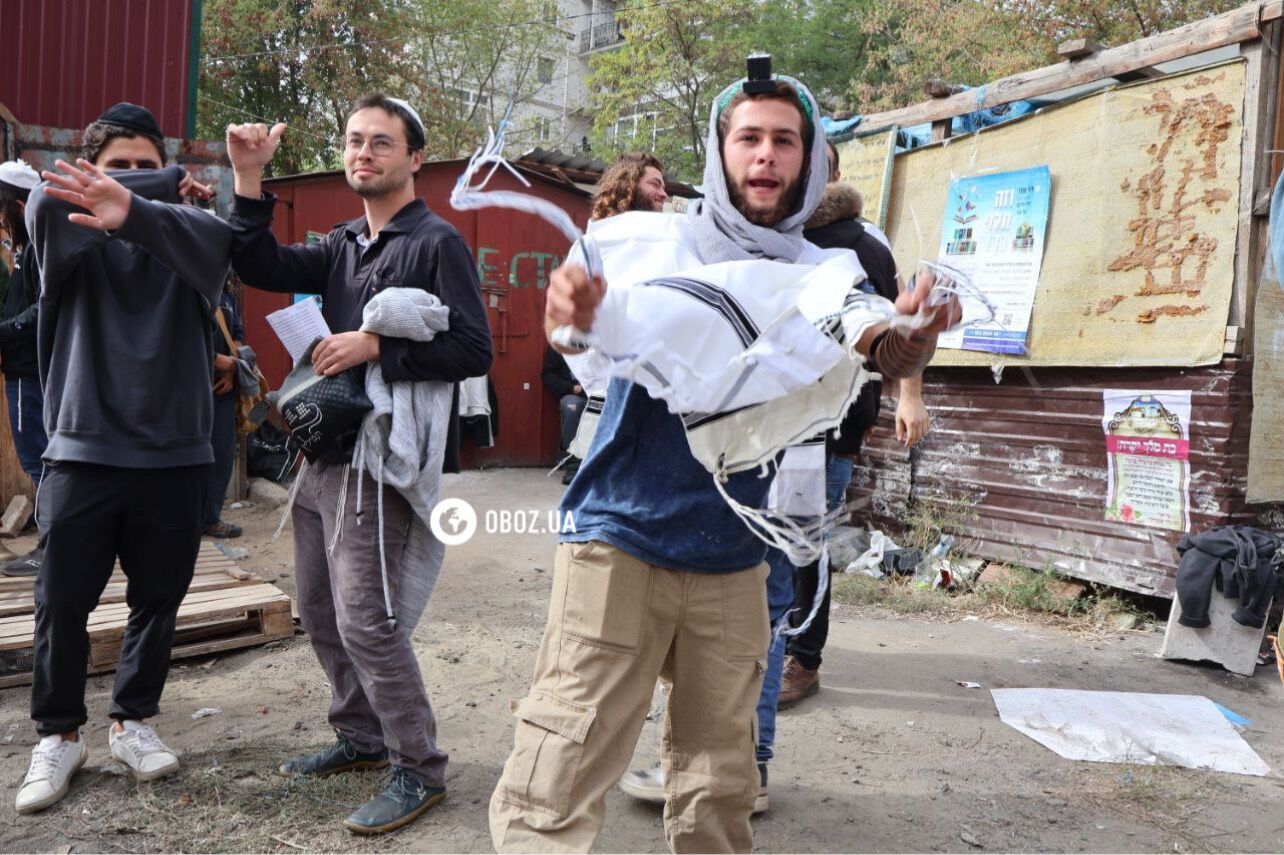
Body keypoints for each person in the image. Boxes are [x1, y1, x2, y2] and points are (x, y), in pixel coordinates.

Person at [490, 70, 955, 853]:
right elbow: (577, 337)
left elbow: (873, 338)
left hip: (739, 558)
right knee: (557, 771)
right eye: (749, 138)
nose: (766, 156)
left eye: (785, 141)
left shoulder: (824, 272)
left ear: (809, 161)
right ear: (718, 151)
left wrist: (915, 336)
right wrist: (569, 319)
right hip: (619, 538)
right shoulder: (638, 242)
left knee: (719, 785)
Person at [225, 93, 492, 835]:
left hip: (378, 462)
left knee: (367, 621)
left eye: (381, 142)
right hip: (323, 455)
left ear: (413, 158)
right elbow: (259, 259)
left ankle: (419, 766)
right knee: (315, 609)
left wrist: (377, 345)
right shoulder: (344, 241)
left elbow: (474, 350)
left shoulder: (436, 242)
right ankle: (362, 735)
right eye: (354, 141)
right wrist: (248, 178)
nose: (363, 152)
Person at [16, 102, 228, 814]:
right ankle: (60, 734)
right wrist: (164, 186)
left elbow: (219, 240)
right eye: (117, 170)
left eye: (147, 166)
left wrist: (155, 198)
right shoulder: (64, 225)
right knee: (61, 601)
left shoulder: (190, 230)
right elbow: (44, 200)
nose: (131, 182)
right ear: (87, 173)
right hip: (83, 444)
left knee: (156, 601)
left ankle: (132, 721)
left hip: (176, 451)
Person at [777, 140, 931, 706]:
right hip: (768, 426)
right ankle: (766, 648)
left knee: (802, 543)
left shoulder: (862, 243)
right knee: (763, 543)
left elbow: (895, 327)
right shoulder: (771, 239)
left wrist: (909, 398)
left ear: (831, 175)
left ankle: (803, 659)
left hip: (827, 431)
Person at [0, 160, 49, 577]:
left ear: (18, 206)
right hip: (29, 369)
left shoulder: (37, 251)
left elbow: (44, 307)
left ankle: (50, 549)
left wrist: (4, 331)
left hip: (28, 372)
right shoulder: (28, 249)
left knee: (38, 460)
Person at [203, 279, 244, 539]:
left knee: (222, 453)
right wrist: (219, 361)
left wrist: (232, 372)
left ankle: (210, 518)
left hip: (222, 388)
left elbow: (237, 335)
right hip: (189, 387)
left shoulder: (228, 297)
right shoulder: (191, 287)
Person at [541, 346, 586, 484]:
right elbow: (548, 375)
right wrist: (572, 388)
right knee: (571, 408)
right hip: (575, 395)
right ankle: (573, 466)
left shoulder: (603, 339)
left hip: (602, 394)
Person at [590, 151, 668, 221]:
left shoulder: (665, 234)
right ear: (628, 186)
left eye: (663, 189)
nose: (664, 195)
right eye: (655, 184)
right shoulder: (598, 234)